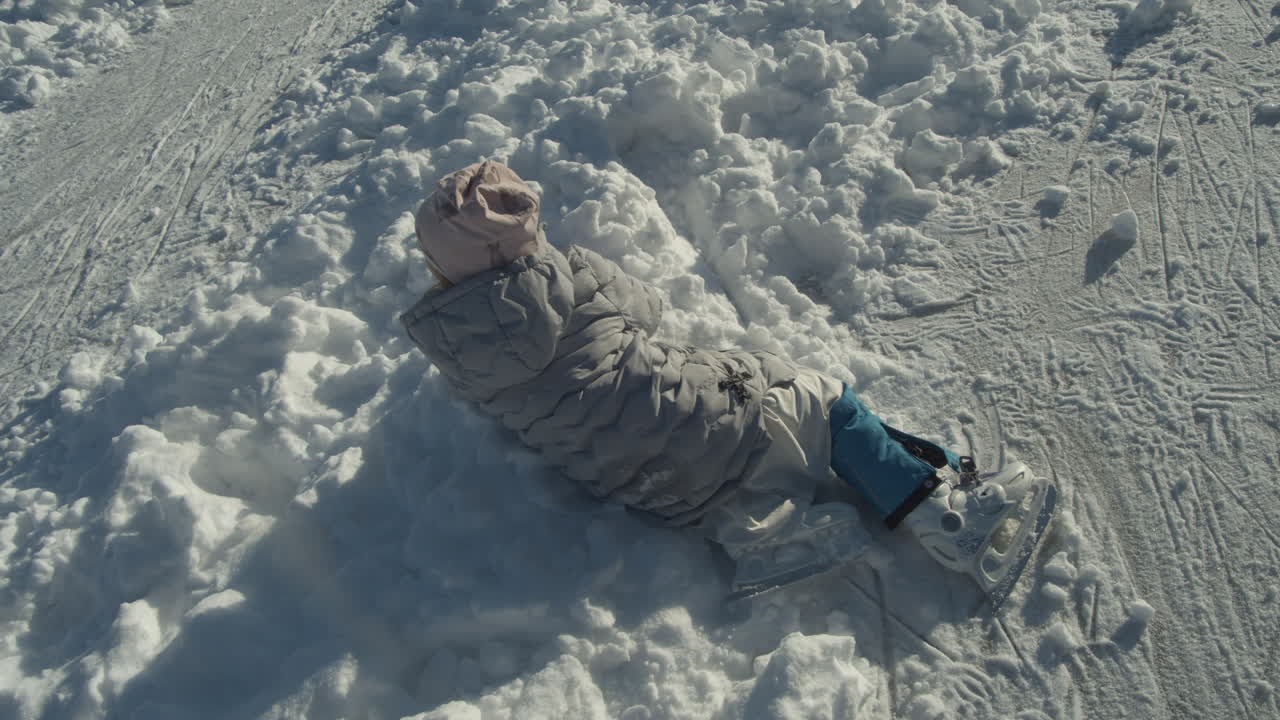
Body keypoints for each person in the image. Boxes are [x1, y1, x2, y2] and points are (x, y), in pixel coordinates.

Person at [400, 159, 1051, 601]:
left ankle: (760, 528)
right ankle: (945, 515)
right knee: (825, 402)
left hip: (650, 487)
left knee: (703, 449)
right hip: (706, 421)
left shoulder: (455, 351)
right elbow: (647, 309)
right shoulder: (571, 275)